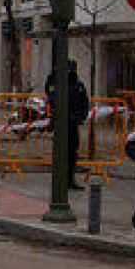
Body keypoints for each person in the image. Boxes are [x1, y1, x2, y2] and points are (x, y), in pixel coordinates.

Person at [44, 60, 89, 190]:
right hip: (60, 123)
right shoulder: (56, 83)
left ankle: (70, 179)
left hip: (73, 124)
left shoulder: (78, 85)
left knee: (72, 153)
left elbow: (84, 103)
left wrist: (81, 117)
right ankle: (59, 180)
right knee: (60, 153)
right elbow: (51, 96)